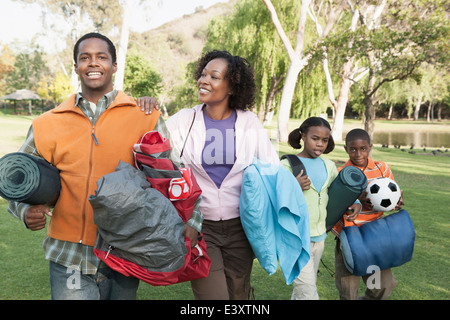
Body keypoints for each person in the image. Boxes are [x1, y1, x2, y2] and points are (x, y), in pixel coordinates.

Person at [7, 32, 202, 300]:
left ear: (114, 66)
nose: (93, 63)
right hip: (69, 255)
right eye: (85, 58)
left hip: (127, 249)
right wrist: (25, 210)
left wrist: (193, 219)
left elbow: (174, 174)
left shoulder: (144, 117)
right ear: (76, 67)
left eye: (102, 57)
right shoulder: (46, 123)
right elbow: (16, 180)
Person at [138, 50, 279, 299]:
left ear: (232, 86)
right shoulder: (184, 120)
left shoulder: (249, 123)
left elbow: (271, 169)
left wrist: (290, 186)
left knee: (240, 296)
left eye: (214, 77)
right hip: (200, 226)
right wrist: (143, 109)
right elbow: (153, 152)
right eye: (203, 74)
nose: (204, 81)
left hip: (241, 227)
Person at [281, 117, 361, 300]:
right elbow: (274, 198)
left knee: (303, 289)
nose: (320, 144)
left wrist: (357, 203)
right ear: (303, 136)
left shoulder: (328, 165)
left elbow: (341, 192)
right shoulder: (287, 165)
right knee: (308, 293)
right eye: (315, 138)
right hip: (295, 238)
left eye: (324, 140)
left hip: (319, 237)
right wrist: (293, 185)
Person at [331, 128, 404, 300]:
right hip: (350, 237)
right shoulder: (340, 173)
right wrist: (357, 200)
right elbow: (334, 206)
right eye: (353, 149)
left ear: (370, 147)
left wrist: (396, 203)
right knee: (348, 292)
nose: (358, 154)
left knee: (382, 286)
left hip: (375, 237)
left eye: (363, 148)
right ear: (346, 149)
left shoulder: (382, 168)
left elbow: (390, 197)